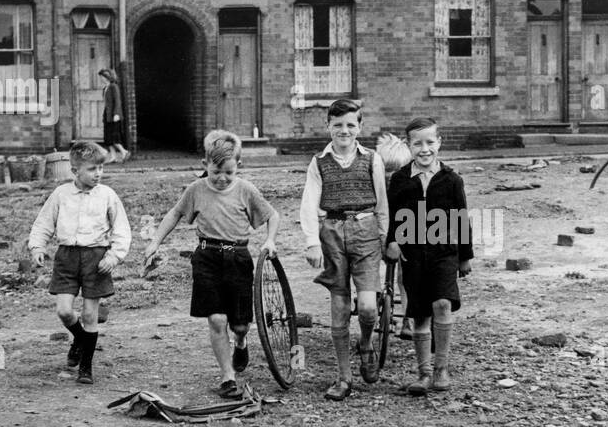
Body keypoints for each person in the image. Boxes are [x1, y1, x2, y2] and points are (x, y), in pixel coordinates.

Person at [142, 129, 279, 399]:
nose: (222, 178)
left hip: (238, 258)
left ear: (238, 167)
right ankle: (227, 376)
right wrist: (154, 242)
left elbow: (272, 216)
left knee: (239, 324)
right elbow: (175, 214)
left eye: (229, 172)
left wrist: (270, 240)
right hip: (206, 257)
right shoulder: (196, 190)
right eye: (216, 171)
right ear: (205, 165)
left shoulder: (246, 190)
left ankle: (240, 342)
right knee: (217, 319)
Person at [299, 98, 388, 401]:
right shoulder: (319, 161)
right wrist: (312, 241)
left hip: (365, 232)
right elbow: (309, 204)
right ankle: (344, 377)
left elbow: (382, 202)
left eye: (351, 125)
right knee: (339, 309)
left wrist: (386, 238)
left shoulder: (372, 159)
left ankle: (365, 343)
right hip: (332, 233)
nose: (344, 130)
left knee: (366, 306)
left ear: (360, 127)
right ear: (328, 126)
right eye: (338, 125)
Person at [28, 139, 132, 385]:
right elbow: (44, 223)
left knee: (89, 314)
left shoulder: (107, 195)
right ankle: (80, 339)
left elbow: (122, 230)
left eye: (101, 169)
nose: (98, 174)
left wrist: (113, 256)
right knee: (64, 311)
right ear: (75, 171)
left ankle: (86, 366)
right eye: (92, 169)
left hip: (96, 258)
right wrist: (38, 246)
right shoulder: (61, 194)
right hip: (67, 257)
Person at [385, 117, 472, 396]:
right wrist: (393, 242)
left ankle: (441, 368)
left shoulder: (451, 180)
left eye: (430, 142)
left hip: (444, 252)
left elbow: (461, 219)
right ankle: (423, 372)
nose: (424, 149)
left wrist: (464, 257)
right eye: (417, 143)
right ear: (408, 145)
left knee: (443, 304)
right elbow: (393, 216)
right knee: (420, 314)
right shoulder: (399, 180)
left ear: (439, 143)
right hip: (413, 255)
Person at [375, 131, 413, 339]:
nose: (391, 176)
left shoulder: (409, 188)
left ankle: (408, 318)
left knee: (405, 276)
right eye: (386, 170)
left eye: (396, 170)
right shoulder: (377, 187)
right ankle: (374, 305)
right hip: (381, 232)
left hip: (404, 233)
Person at [98, 68, 129, 161]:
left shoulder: (113, 86)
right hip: (107, 116)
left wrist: (116, 114)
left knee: (114, 137)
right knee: (107, 138)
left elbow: (117, 101)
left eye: (102, 77)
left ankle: (124, 152)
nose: (101, 79)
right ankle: (113, 156)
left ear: (107, 77)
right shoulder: (105, 88)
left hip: (114, 116)